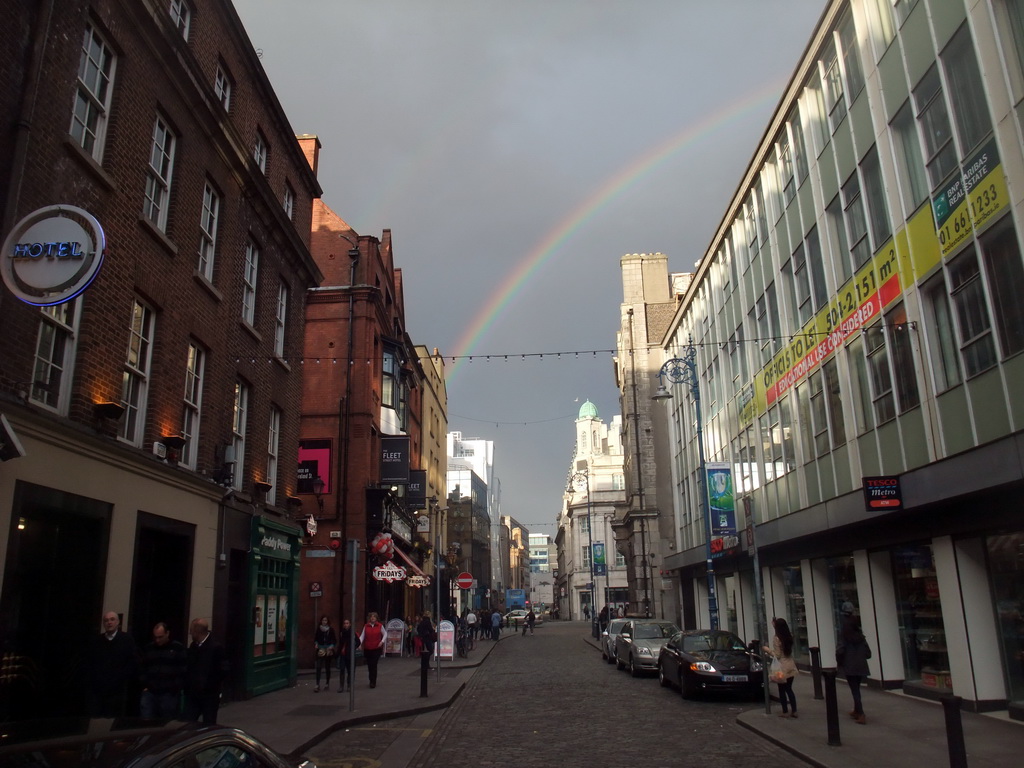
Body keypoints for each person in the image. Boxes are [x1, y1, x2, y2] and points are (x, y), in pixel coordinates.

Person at [87, 611, 138, 718]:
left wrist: (121, 677)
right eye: (106, 620)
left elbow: (132, 662)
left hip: (117, 689)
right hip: (98, 689)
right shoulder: (97, 641)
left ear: (118, 622)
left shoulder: (126, 639)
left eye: (112, 619)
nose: (109, 622)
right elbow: (91, 663)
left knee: (114, 718)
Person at [140, 622, 186, 719]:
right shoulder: (149, 648)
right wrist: (145, 684)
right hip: (150, 691)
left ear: (167, 633)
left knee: (167, 720)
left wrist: (175, 686)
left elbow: (183, 669)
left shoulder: (177, 648)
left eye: (160, 637)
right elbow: (143, 667)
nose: (157, 640)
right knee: (146, 719)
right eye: (155, 637)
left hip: (169, 692)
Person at [183, 618, 225, 724]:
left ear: (197, 632)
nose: (190, 633)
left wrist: (212, 686)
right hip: (193, 693)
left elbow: (222, 670)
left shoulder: (216, 648)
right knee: (188, 722)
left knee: (209, 722)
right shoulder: (193, 646)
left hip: (209, 694)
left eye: (191, 631)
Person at [836, 604, 872, 725]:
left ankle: (861, 713)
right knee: (856, 687)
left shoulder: (845, 634)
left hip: (850, 664)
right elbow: (868, 652)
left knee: (855, 689)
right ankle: (857, 710)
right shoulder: (860, 635)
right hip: (861, 664)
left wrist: (839, 662)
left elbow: (840, 649)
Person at [764, 617, 798, 718]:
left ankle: (785, 711)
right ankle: (794, 710)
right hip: (790, 665)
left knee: (781, 689)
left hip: (781, 668)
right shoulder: (789, 636)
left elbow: (777, 655)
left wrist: (768, 650)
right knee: (789, 689)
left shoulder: (777, 638)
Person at [359, 612, 385, 688]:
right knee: (370, 665)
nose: (372, 618)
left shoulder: (380, 626)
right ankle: (371, 679)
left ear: (376, 618)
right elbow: (362, 636)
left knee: (374, 664)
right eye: (371, 617)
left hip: (376, 648)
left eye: (374, 617)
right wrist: (359, 644)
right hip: (368, 648)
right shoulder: (366, 626)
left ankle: (373, 681)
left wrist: (382, 641)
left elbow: (385, 634)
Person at [313, 615, 337, 692]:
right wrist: (316, 643)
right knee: (319, 666)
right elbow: (316, 638)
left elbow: (334, 640)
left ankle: (327, 683)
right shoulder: (319, 629)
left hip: (328, 650)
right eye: (323, 620)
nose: (324, 622)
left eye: (325, 620)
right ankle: (317, 684)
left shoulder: (331, 630)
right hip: (320, 649)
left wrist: (331, 646)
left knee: (327, 667)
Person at [336, 618, 358, 692]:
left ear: (350, 624)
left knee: (350, 670)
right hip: (343, 654)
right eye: (345, 623)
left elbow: (358, 642)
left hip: (350, 654)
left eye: (347, 623)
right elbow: (340, 644)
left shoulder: (352, 633)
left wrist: (353, 648)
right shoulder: (342, 633)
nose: (346, 625)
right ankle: (341, 686)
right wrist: (337, 653)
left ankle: (349, 685)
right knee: (342, 669)